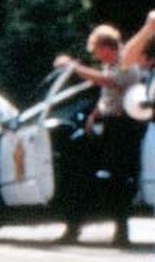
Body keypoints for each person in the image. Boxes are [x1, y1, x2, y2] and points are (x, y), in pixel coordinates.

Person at [53, 14, 155, 247]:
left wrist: (75, 67)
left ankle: (120, 231)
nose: (97, 56)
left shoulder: (127, 61)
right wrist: (95, 113)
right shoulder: (111, 64)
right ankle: (75, 226)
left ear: (108, 47)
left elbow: (110, 83)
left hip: (124, 128)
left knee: (119, 179)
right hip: (110, 124)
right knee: (82, 173)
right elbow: (109, 94)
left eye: (98, 50)